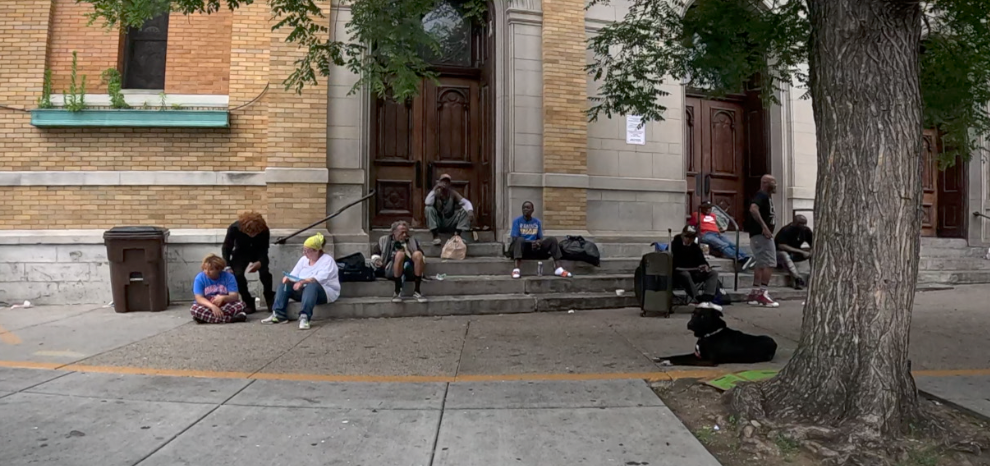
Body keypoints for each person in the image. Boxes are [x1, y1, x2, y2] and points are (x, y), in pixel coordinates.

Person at [261, 233, 340, 330]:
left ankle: (304, 317)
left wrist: (302, 282)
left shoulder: (327, 260)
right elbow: (294, 274)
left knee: (312, 285)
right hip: (303, 289)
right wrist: (288, 278)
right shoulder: (303, 260)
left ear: (317, 251)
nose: (304, 253)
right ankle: (278, 314)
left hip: (324, 292)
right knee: (284, 284)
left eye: (308, 251)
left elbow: (320, 278)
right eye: (304, 250)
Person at [221, 211, 274, 314]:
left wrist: (260, 262)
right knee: (238, 275)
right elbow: (227, 247)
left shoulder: (264, 230)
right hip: (240, 252)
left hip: (258, 252)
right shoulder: (234, 228)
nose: (252, 235)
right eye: (249, 232)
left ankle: (269, 298)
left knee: (265, 273)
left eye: (255, 233)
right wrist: (227, 265)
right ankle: (248, 301)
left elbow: (264, 249)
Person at [507, 201, 571, 279]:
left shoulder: (537, 222)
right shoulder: (517, 221)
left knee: (552, 239)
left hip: (534, 249)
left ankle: (558, 268)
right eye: (524, 208)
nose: (525, 210)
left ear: (532, 210)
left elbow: (540, 238)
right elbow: (515, 238)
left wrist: (538, 242)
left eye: (528, 208)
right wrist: (530, 243)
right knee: (520, 240)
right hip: (522, 248)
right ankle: (516, 269)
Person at [371, 220, 428, 303]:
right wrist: (377, 260)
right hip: (391, 268)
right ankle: (397, 291)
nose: (404, 235)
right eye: (402, 233)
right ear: (394, 232)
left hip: (410, 268)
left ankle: (417, 291)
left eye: (406, 232)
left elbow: (421, 256)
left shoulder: (411, 241)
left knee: (418, 254)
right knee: (400, 254)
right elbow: (375, 253)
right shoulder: (384, 240)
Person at [745, 174, 780, 307]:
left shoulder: (766, 196)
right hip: (761, 235)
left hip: (758, 235)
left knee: (760, 263)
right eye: (773, 182)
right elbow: (753, 209)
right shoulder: (762, 195)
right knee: (770, 262)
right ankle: (763, 292)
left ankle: (754, 292)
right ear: (765, 183)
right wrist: (764, 227)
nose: (775, 185)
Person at [689, 201, 754, 271]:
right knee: (723, 245)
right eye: (706, 208)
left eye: (710, 208)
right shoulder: (697, 214)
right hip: (706, 234)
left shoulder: (713, 215)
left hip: (717, 233)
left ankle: (746, 257)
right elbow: (692, 225)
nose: (709, 210)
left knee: (731, 244)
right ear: (702, 208)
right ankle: (740, 259)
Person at [671, 225, 722, 311]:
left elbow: (702, 260)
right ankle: (697, 298)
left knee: (713, 273)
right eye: (687, 236)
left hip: (695, 272)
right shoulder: (675, 245)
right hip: (679, 273)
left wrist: (705, 266)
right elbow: (675, 264)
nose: (689, 239)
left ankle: (707, 298)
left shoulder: (695, 247)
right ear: (682, 235)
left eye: (692, 237)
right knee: (685, 275)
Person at [190, 254, 248, 324]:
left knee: (241, 305)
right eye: (205, 269)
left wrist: (223, 298)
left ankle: (206, 318)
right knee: (195, 309)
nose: (207, 272)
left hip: (224, 305)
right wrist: (212, 306)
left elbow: (234, 296)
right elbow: (199, 298)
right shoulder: (200, 278)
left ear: (219, 269)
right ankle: (231, 319)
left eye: (211, 269)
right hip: (207, 305)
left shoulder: (229, 277)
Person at [425, 173, 473, 245]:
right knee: (428, 209)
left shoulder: (452, 193)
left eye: (447, 182)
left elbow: (465, 202)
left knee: (465, 210)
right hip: (438, 221)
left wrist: (470, 211)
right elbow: (427, 202)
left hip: (450, 221)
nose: (445, 184)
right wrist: (435, 189)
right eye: (443, 182)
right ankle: (435, 236)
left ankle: (457, 235)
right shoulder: (435, 193)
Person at [775, 214, 814, 290]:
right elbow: (781, 246)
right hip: (780, 254)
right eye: (801, 224)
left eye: (804, 223)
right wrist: (801, 252)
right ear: (795, 223)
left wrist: (810, 251)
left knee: (813, 253)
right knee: (784, 255)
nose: (803, 226)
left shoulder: (806, 230)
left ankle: (814, 276)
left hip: (795, 253)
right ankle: (797, 279)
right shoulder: (786, 230)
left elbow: (813, 243)